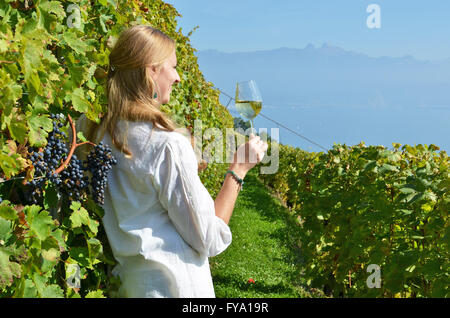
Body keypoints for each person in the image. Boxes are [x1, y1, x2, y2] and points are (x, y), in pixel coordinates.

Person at [80, 25, 268, 298]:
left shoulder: (96, 133)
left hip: (128, 286)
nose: (178, 78)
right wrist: (238, 169)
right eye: (173, 67)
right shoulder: (166, 144)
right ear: (151, 70)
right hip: (175, 289)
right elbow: (209, 239)